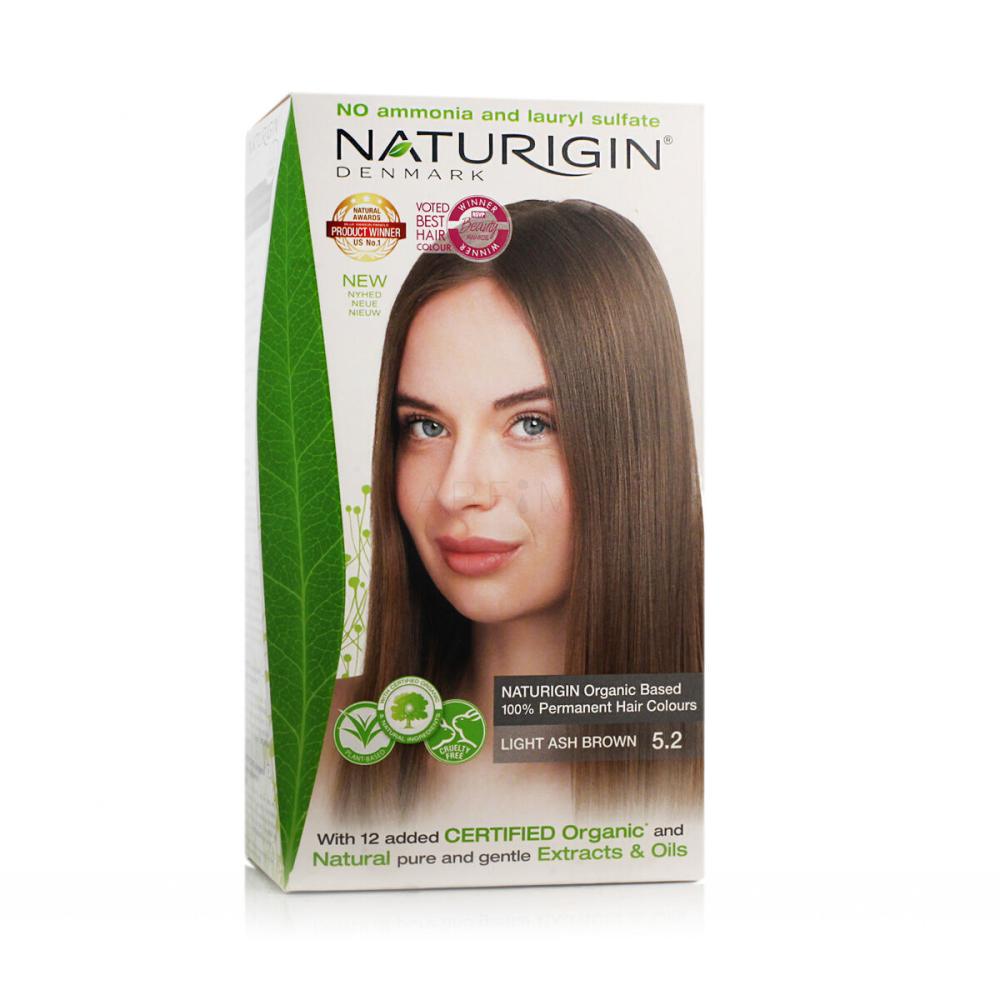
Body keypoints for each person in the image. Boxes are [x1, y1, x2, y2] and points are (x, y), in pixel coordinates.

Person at [324, 198, 702, 822]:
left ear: (638, 445)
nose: (456, 491)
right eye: (425, 426)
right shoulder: (327, 746)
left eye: (531, 424)